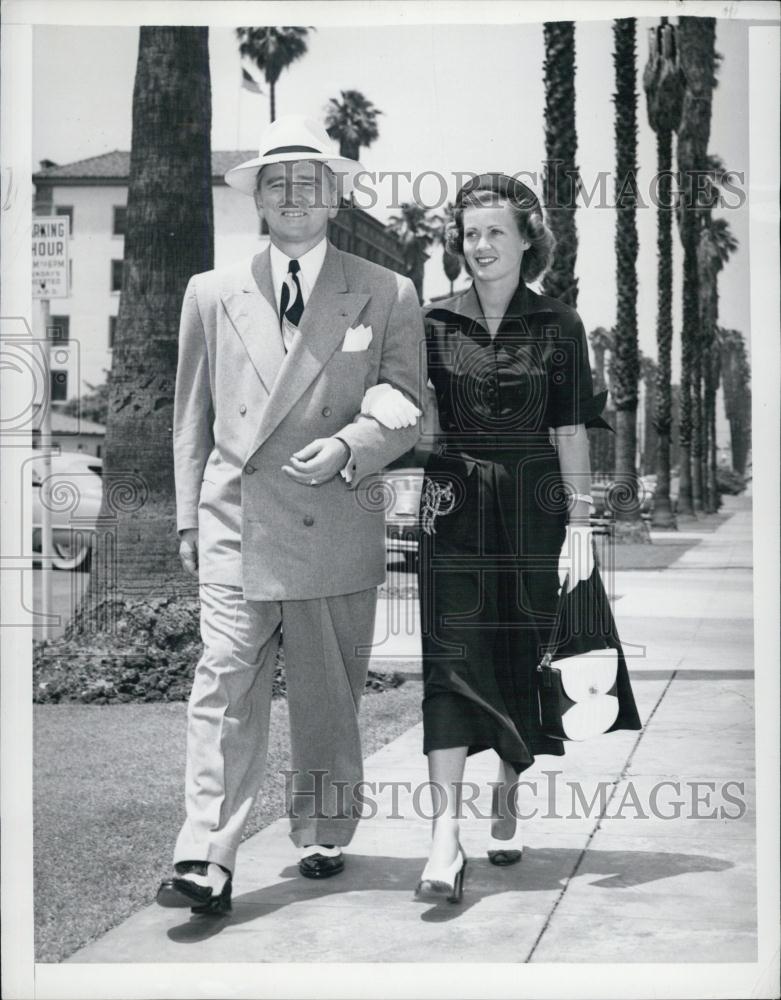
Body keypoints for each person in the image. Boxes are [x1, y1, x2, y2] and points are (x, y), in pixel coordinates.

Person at [156, 116, 424, 915]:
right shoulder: (210, 292)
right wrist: (184, 520)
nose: (295, 197)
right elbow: (189, 417)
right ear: (258, 202)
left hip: (333, 521)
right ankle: (205, 854)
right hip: (236, 521)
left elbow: (413, 405)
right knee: (222, 688)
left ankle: (322, 831)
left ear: (335, 197)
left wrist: (350, 446)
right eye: (278, 184)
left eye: (311, 183)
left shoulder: (386, 290)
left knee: (325, 695)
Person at [415, 173, 641, 903]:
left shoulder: (559, 326)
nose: (479, 245)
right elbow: (415, 421)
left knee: (519, 652)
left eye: (494, 232)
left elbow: (570, 426)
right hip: (452, 504)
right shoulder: (430, 321)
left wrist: (580, 522)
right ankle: (443, 837)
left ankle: (507, 791)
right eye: (469, 233)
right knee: (448, 661)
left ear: (524, 240)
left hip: (534, 507)